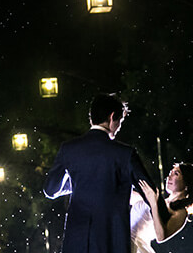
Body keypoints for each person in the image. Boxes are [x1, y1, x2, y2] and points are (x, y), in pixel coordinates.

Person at [44, 93, 158, 253]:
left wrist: (79, 182)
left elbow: (50, 190)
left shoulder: (68, 149)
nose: (119, 126)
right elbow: (150, 193)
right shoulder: (125, 154)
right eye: (120, 121)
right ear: (112, 117)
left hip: (77, 242)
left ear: (92, 118)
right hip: (112, 242)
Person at [133, 162, 193, 248]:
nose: (169, 177)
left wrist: (154, 205)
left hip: (132, 244)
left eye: (176, 174)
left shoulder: (181, 213)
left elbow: (161, 237)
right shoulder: (157, 198)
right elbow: (129, 197)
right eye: (170, 173)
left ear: (187, 184)